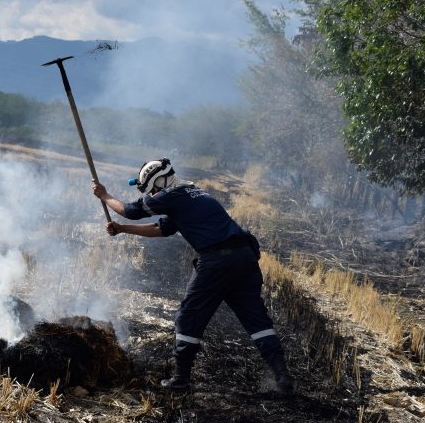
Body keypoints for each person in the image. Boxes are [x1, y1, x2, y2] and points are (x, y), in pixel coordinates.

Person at [92, 158, 293, 394]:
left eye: (154, 189)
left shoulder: (172, 195)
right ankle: (282, 377)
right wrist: (122, 229)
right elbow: (162, 229)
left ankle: (180, 380)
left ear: (161, 181)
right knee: (256, 318)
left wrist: (104, 196)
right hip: (244, 258)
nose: (154, 195)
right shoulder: (192, 193)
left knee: (188, 316)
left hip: (217, 261)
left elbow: (131, 211)